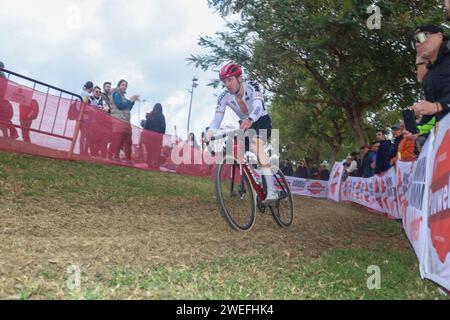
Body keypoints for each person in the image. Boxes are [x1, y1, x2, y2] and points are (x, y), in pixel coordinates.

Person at [205, 63, 277, 202]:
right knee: (235, 149)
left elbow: (257, 107)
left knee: (256, 146)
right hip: (245, 125)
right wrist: (210, 134)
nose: (227, 84)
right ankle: (252, 182)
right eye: (224, 81)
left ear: (239, 78)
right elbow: (216, 121)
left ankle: (272, 191)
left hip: (261, 120)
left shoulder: (252, 86)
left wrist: (250, 120)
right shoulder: (223, 97)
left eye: (230, 79)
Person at [411, 25, 450, 122]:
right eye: (414, 42)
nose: (417, 44)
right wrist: (419, 132)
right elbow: (433, 111)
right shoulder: (431, 72)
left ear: (439, 36)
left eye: (422, 37)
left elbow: (437, 107)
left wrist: (439, 107)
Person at [109, 79, 139, 162]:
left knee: (128, 140)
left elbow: (128, 108)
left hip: (126, 121)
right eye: (123, 85)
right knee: (118, 139)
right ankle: (115, 157)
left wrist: (132, 102)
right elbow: (120, 105)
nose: (124, 86)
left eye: (126, 85)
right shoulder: (116, 93)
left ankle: (128, 159)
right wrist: (130, 101)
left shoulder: (124, 97)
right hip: (118, 120)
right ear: (119, 86)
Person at [141, 103, 166, 168]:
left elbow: (146, 126)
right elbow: (163, 127)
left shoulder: (151, 115)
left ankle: (149, 163)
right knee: (156, 151)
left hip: (149, 137)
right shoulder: (161, 116)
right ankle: (155, 164)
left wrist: (145, 134)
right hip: (157, 138)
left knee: (149, 151)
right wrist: (161, 134)